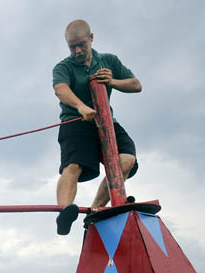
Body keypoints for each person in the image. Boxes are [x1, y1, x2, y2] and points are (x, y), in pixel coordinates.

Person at [53, 19, 142, 235]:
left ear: (91, 38)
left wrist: (113, 82)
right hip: (76, 122)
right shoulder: (64, 67)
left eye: (81, 44)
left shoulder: (108, 60)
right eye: (72, 46)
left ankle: (96, 209)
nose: (77, 50)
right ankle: (64, 213)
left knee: (127, 160)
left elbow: (136, 85)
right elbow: (60, 89)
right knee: (73, 166)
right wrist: (81, 106)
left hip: (105, 121)